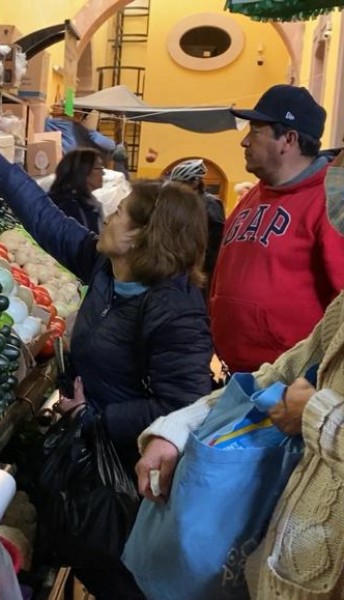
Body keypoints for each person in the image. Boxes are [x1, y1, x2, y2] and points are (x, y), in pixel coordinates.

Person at [0, 125, 213, 600]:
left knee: (121, 575)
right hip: (89, 453)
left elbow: (184, 403)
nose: (108, 219)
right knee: (90, 558)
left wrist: (96, 416)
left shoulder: (174, 309)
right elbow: (45, 219)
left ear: (141, 239)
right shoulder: (107, 269)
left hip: (130, 473)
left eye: (119, 215)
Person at [135, 155, 344, 599]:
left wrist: (315, 413)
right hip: (285, 567)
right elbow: (273, 375)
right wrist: (175, 430)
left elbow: (314, 411)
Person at [209, 84, 344, 374]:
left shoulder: (330, 202)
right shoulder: (254, 194)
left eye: (256, 131)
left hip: (291, 385)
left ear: (288, 139)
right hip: (241, 376)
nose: (244, 142)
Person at [168, 158, 226, 294]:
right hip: (181, 266)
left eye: (181, 183)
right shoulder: (184, 203)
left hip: (200, 270)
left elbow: (215, 241)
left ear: (194, 182)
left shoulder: (210, 204)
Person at [48, 148, 105, 234]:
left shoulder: (87, 203)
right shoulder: (70, 208)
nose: (103, 173)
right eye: (99, 168)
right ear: (84, 172)